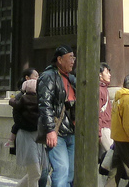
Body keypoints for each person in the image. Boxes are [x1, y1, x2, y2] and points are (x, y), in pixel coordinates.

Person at [37, 45, 77, 187]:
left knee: (71, 172)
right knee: (62, 170)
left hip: (72, 130)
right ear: (59, 59)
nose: (73, 61)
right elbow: (44, 104)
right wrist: (50, 130)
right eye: (70, 57)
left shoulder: (71, 79)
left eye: (74, 57)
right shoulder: (48, 77)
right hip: (57, 131)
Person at [11, 76, 47, 187]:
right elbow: (17, 120)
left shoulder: (38, 101)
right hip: (27, 136)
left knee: (38, 172)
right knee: (35, 171)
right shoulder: (30, 101)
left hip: (38, 136)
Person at [99, 63, 113, 155]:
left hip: (107, 126)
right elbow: (98, 112)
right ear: (100, 74)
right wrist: (99, 131)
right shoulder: (100, 90)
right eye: (107, 72)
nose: (109, 75)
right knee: (112, 153)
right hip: (103, 128)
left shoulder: (104, 89)